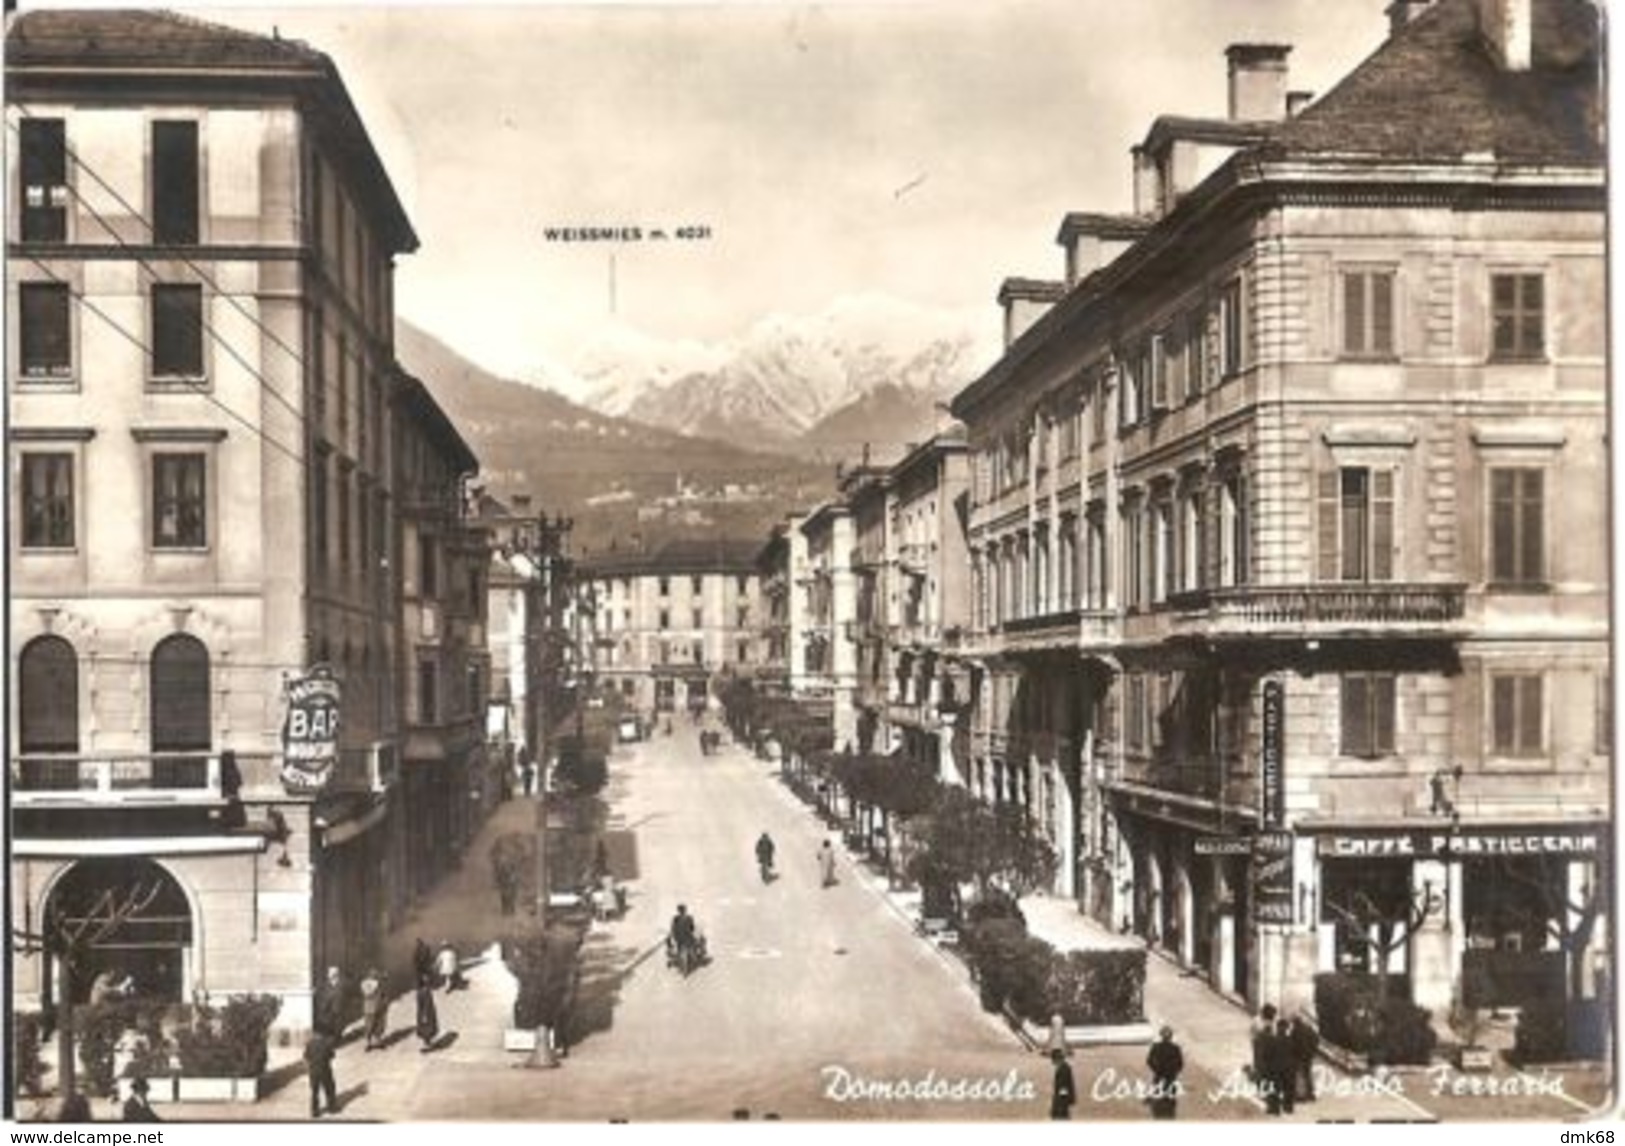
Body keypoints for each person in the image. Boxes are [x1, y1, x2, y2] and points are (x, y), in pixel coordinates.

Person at [1145, 1025, 1185, 1120]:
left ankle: (1159, 1117)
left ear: (1161, 1035)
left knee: (1158, 1101)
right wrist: (1174, 1071)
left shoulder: (1156, 1047)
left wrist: (1155, 1069)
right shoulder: (1176, 1048)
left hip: (1159, 1076)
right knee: (1170, 1102)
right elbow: (1180, 1063)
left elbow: (1149, 1061)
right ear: (1171, 1036)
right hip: (1171, 1078)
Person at [304, 1029, 338, 1118]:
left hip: (313, 1071)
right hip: (325, 1070)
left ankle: (315, 1111)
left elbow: (306, 1057)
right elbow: (332, 1055)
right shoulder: (326, 1043)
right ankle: (331, 1108)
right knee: (329, 1088)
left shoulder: (309, 1044)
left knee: (314, 1091)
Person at [1289, 1011, 1319, 1102]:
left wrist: (1292, 1054)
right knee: (1307, 1074)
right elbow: (1316, 1039)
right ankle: (1311, 1094)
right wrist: (1313, 1050)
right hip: (1308, 1055)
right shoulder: (1308, 1028)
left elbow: (1292, 1044)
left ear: (1294, 1022)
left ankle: (1300, 1096)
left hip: (1299, 1056)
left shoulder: (1295, 1031)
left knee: (1299, 1075)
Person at [359, 967, 388, 1051]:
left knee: (369, 1025)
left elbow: (365, 994)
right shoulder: (377, 984)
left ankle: (368, 1043)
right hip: (377, 1007)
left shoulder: (363, 984)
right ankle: (377, 1041)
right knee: (378, 1024)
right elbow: (381, 995)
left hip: (367, 1008)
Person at [314, 965, 346, 1039]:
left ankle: (337, 1038)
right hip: (328, 1009)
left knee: (338, 1026)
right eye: (328, 973)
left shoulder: (341, 983)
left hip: (338, 1009)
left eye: (329, 973)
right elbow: (322, 993)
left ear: (335, 974)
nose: (328, 975)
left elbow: (344, 995)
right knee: (329, 1026)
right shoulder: (326, 984)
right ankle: (331, 1038)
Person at [1049, 1048, 1076, 1120]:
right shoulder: (1064, 1067)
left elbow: (1063, 1088)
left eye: (1052, 1059)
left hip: (1061, 1103)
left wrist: (1059, 1106)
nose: (1051, 1061)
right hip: (1062, 1101)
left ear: (1057, 1058)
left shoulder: (1063, 1068)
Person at [415, 974, 440, 1052]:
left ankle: (428, 1044)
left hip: (427, 1013)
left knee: (427, 1029)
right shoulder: (423, 992)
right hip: (426, 1014)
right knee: (427, 1029)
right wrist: (424, 1015)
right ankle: (427, 1044)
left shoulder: (423, 991)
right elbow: (423, 1004)